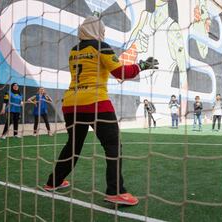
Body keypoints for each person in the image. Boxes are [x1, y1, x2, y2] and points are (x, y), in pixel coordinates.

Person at [44, 16, 159, 206]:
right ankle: (115, 191)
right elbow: (121, 73)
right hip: (96, 102)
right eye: (102, 30)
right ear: (96, 30)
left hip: (71, 103)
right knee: (113, 146)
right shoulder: (101, 46)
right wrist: (141, 66)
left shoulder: (74, 50)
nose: (103, 33)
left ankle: (53, 182)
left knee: (73, 145)